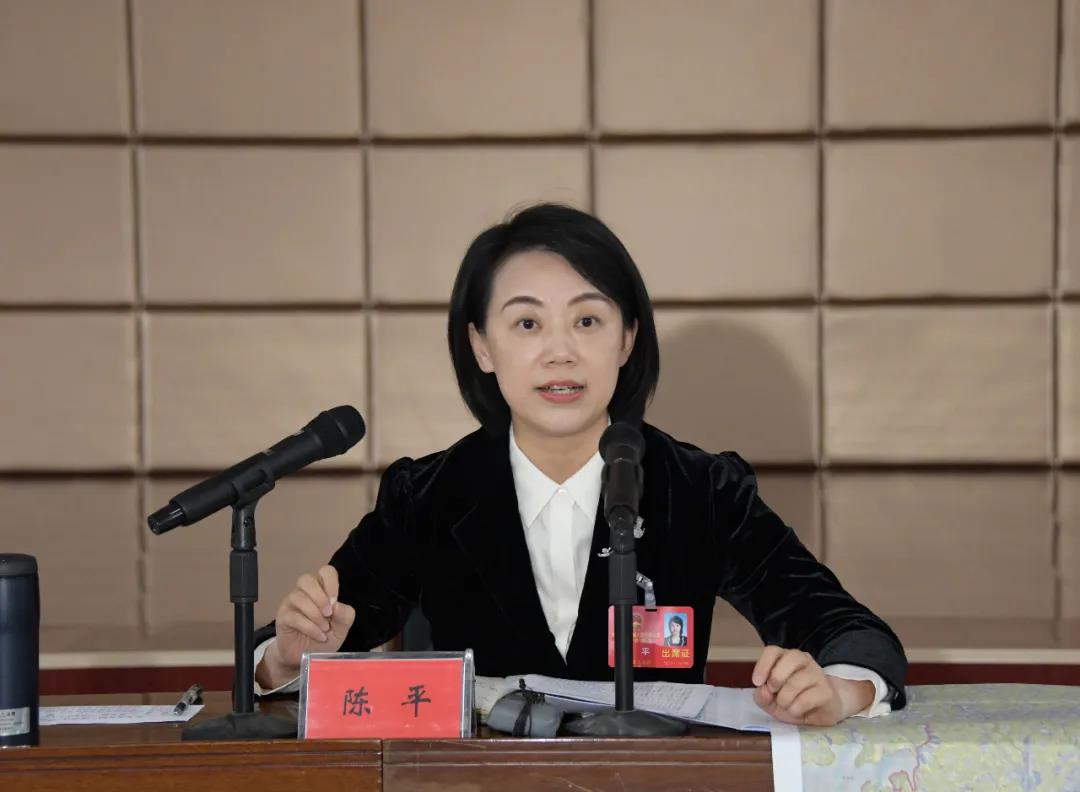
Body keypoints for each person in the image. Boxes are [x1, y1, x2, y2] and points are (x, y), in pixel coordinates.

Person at [254, 204, 907, 727]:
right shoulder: (429, 496)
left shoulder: (699, 489)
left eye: (588, 321)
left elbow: (853, 633)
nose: (560, 352)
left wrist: (837, 691)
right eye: (527, 325)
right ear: (481, 346)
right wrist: (287, 656)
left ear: (627, 338)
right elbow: (307, 648)